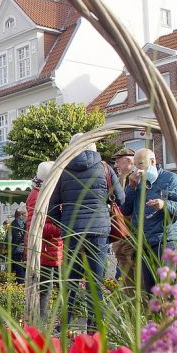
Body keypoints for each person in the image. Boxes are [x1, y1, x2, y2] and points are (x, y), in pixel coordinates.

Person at [49, 140, 124, 330]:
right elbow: (121, 199)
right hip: (98, 230)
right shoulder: (105, 168)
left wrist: (65, 224)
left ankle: (66, 323)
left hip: (72, 231)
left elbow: (51, 207)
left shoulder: (63, 170)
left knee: (71, 279)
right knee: (95, 280)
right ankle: (95, 324)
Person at [121, 148, 177, 293]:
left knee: (167, 288)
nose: (138, 169)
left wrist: (165, 205)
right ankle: (155, 316)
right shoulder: (136, 182)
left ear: (152, 161)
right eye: (135, 165)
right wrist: (131, 187)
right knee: (151, 290)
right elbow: (125, 210)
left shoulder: (170, 179)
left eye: (141, 164)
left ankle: (172, 315)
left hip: (165, 240)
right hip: (144, 241)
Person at [25, 161, 63, 321]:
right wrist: (62, 228)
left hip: (52, 250)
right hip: (45, 251)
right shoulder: (38, 195)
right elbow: (35, 226)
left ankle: (44, 322)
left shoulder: (44, 192)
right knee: (44, 291)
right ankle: (40, 325)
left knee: (54, 290)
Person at [111, 148, 137, 284]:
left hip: (131, 232)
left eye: (117, 162)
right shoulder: (121, 178)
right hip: (121, 232)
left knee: (130, 270)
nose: (116, 166)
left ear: (128, 161)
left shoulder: (137, 178)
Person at [9, 208, 27, 283]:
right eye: (26, 214)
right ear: (21, 215)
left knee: (19, 271)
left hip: (17, 251)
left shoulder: (13, 224)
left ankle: (21, 287)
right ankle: (22, 287)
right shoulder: (26, 224)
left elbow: (8, 239)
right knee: (23, 271)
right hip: (24, 251)